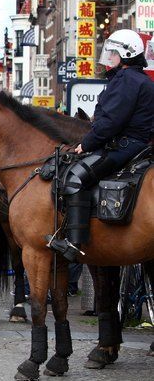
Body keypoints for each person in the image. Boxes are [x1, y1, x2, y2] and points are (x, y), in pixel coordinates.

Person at [49, 29, 154, 262]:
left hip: (122, 146)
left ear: (126, 55)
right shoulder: (142, 80)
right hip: (140, 146)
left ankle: (74, 243)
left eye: (114, 53)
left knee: (75, 178)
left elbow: (110, 121)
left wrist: (86, 144)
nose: (110, 58)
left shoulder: (127, 80)